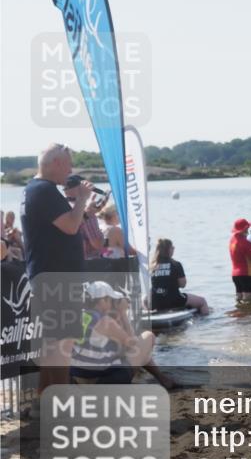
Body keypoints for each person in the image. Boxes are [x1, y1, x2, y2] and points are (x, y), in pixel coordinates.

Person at [20, 144, 98, 395]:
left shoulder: (38, 190)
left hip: (51, 275)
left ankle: (44, 400)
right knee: (61, 343)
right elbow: (70, 227)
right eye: (68, 164)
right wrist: (83, 200)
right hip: (56, 277)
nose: (71, 170)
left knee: (54, 341)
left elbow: (63, 225)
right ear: (55, 163)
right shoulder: (44, 191)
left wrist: (84, 214)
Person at [70, 280, 155, 384]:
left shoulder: (80, 316)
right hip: (100, 381)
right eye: (110, 300)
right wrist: (123, 312)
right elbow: (132, 344)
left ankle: (163, 379)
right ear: (102, 300)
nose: (111, 304)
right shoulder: (105, 321)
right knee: (148, 337)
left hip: (77, 376)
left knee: (128, 352)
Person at [150, 238, 209, 315]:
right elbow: (183, 285)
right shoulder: (175, 264)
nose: (174, 249)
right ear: (168, 250)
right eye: (172, 247)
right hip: (174, 300)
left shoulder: (152, 266)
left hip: (156, 302)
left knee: (144, 298)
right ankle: (206, 323)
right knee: (202, 301)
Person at [229, 218, 251, 302]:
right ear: (245, 229)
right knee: (249, 302)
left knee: (239, 300)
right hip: (248, 274)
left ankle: (240, 314)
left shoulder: (232, 240)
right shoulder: (246, 243)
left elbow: (241, 253)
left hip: (235, 275)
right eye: (248, 228)